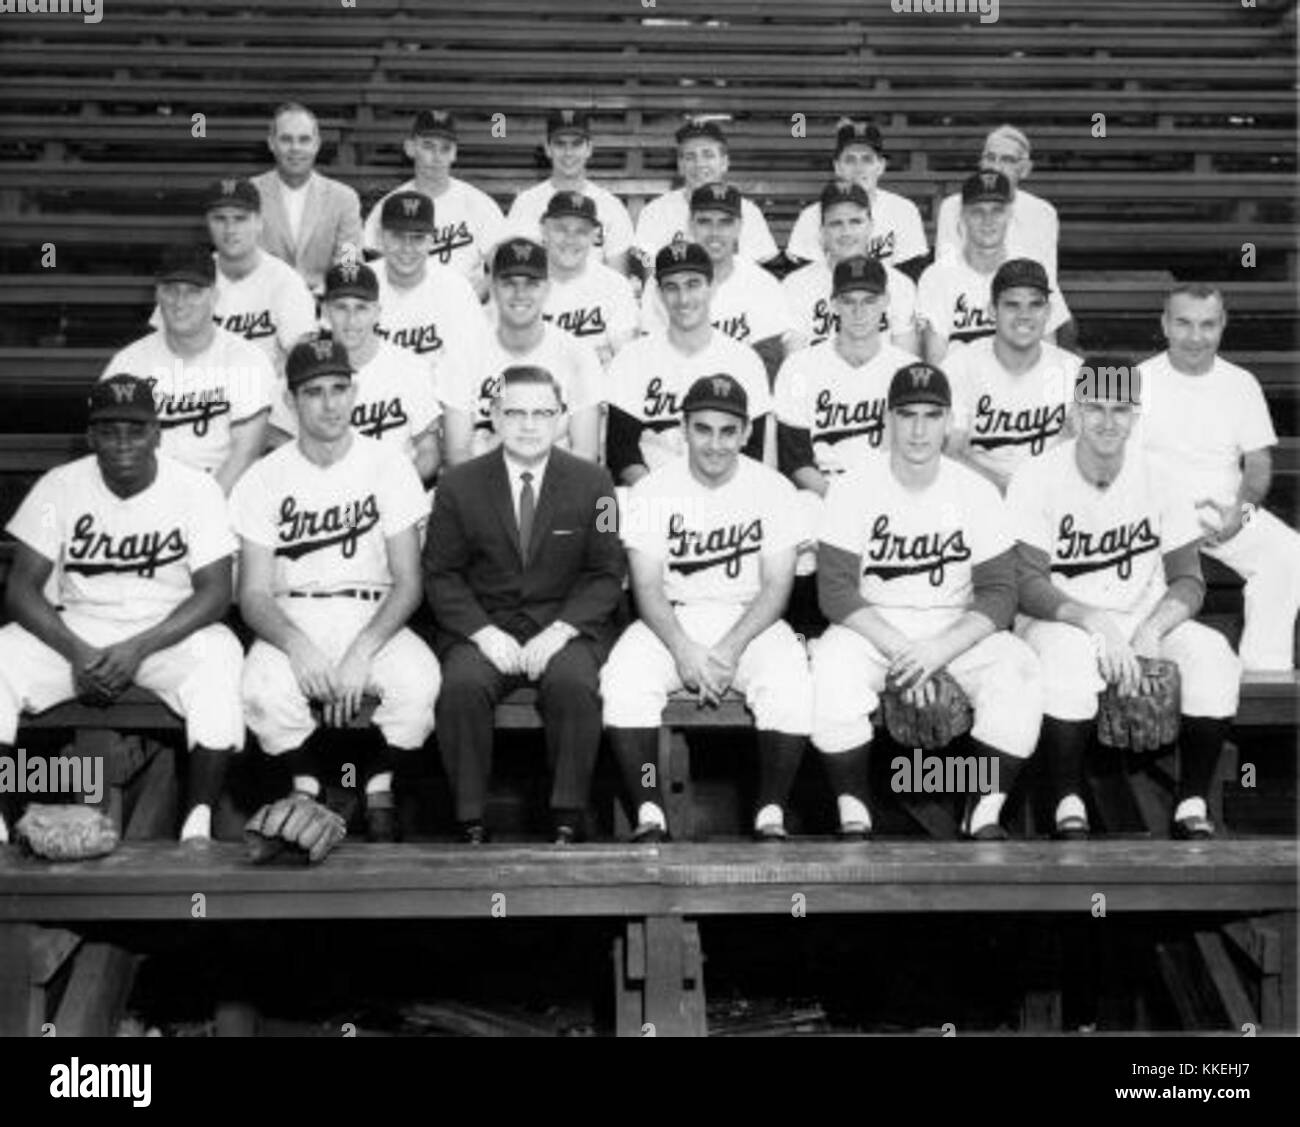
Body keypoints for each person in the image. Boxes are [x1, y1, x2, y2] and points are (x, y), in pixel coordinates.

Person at [0, 375, 243, 845]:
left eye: (135, 429)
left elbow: (215, 593)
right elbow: (21, 590)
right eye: (109, 430)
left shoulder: (196, 489)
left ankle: (197, 828)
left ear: (157, 432)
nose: (123, 442)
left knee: (220, 656)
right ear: (91, 436)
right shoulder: (59, 488)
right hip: (78, 629)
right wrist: (74, 649)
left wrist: (139, 647)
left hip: (166, 631)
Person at [1008, 361, 1241, 839]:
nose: (1108, 421)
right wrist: (1095, 623)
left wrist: (1154, 627)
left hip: (1141, 614)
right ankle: (1067, 798)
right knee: (1068, 659)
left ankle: (1192, 799)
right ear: (1074, 412)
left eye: (1121, 409)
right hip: (1058, 616)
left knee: (1214, 654)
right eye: (1095, 407)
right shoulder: (1035, 476)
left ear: (1137, 416)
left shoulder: (1162, 477)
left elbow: (1188, 580)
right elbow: (1027, 584)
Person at [811, 362, 1041, 841]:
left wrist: (938, 652)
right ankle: (853, 811)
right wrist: (903, 651)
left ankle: (984, 812)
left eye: (931, 416)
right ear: (887, 420)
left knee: (1019, 666)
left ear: (949, 422)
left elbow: (1001, 593)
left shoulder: (975, 491)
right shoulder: (853, 487)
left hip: (955, 626)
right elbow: (834, 590)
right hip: (873, 625)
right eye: (907, 414)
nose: (918, 429)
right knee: (830, 667)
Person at [232, 339, 439, 842]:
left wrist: (362, 651)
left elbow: (410, 583)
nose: (329, 403)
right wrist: (299, 647)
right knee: (261, 690)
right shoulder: (264, 477)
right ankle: (309, 786)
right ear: (292, 400)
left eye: (339, 388)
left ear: (355, 391)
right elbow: (252, 594)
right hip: (292, 613)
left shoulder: (389, 465)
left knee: (420, 682)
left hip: (373, 610)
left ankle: (377, 786)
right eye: (314, 392)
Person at [601, 375, 812, 842]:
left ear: (745, 433)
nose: (714, 443)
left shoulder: (773, 489)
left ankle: (771, 810)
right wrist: (683, 649)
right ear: (683, 429)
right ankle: (650, 808)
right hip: (673, 616)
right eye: (702, 429)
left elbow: (777, 587)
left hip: (751, 619)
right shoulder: (655, 489)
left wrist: (729, 649)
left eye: (727, 431)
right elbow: (647, 586)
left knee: (790, 681)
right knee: (623, 680)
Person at [424, 366, 626, 844]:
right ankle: (470, 818)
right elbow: (441, 573)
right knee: (462, 686)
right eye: (515, 412)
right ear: (492, 417)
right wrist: (482, 633)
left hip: (565, 625)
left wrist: (561, 631)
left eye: (542, 413)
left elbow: (607, 572)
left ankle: (567, 816)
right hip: (486, 627)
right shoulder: (456, 485)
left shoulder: (598, 483)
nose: (529, 424)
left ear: (560, 419)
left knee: (575, 684)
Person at [1135, 284, 1300, 672]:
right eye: (1184, 324)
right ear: (1165, 324)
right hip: (1153, 513)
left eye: (1207, 325)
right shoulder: (1138, 379)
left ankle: (1265, 670)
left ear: (1223, 325)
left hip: (1222, 511)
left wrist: (1238, 516)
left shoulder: (1241, 383)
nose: (1196, 336)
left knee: (1289, 552)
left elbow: (1258, 467)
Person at [774, 255, 920, 633]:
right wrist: (842, 498)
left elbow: (918, 451)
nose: (858, 311)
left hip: (888, 489)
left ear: (887, 303)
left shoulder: (905, 369)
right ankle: (806, 637)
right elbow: (795, 460)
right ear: (832, 304)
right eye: (849, 301)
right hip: (820, 487)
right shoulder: (801, 367)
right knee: (800, 522)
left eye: (869, 300)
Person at [104, 245, 275, 495]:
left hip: (225, 497)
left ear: (215, 297)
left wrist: (203, 510)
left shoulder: (246, 359)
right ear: (157, 295)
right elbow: (113, 449)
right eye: (170, 290)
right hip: (149, 499)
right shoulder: (127, 365)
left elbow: (245, 453)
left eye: (193, 291)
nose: (180, 302)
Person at [606, 241, 772, 486]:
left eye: (693, 284)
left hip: (725, 493)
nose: (683, 299)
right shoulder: (632, 359)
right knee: (611, 508)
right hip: (651, 493)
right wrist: (660, 497)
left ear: (712, 287)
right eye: (671, 287)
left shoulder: (744, 361)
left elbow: (752, 450)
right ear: (660, 294)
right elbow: (621, 452)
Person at [268, 264, 442, 487]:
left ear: (377, 312)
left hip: (395, 494)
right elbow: (274, 437)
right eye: (341, 307)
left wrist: (395, 492)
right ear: (325, 311)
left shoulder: (411, 368)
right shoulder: (305, 367)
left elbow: (428, 453)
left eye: (361, 308)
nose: (351, 320)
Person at [440, 238, 602, 466]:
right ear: (494, 287)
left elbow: (585, 454)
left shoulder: (578, 354)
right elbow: (457, 455)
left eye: (531, 283)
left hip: (559, 484)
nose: (520, 293)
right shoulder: (463, 354)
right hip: (483, 485)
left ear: (547, 288)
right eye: (509, 283)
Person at [944, 258, 1082, 493]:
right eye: (1012, 305)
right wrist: (1004, 489)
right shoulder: (957, 368)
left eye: (1035, 305)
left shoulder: (1076, 370)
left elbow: (1085, 449)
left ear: (1048, 311)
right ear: (992, 310)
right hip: (979, 496)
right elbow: (952, 452)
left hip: (1052, 496)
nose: (1024, 315)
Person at [150, 178, 317, 371]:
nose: (230, 229)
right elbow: (161, 348)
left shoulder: (285, 281)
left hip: (264, 393)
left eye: (240, 218)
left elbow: (304, 360)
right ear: (208, 223)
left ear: (259, 222)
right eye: (220, 219)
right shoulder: (187, 274)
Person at [640, 185, 798, 379]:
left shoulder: (762, 285)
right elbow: (650, 354)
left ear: (739, 226)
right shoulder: (663, 282)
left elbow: (767, 364)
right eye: (705, 221)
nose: (715, 232)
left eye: (725, 222)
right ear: (690, 225)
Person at [916, 171, 1070, 366]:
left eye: (997, 210)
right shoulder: (937, 276)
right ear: (963, 215)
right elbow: (936, 361)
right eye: (977, 211)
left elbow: (1049, 351)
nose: (987, 220)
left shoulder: (1034, 268)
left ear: (1009, 214)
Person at [362, 110, 507, 300]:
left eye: (445, 148)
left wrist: (470, 298)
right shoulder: (388, 206)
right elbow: (374, 269)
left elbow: (503, 265)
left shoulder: (479, 204)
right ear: (410, 148)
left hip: (464, 306)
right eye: (428, 146)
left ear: (455, 153)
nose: (437, 157)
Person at [781, 180, 919, 354]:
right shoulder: (796, 285)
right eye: (836, 223)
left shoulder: (899, 284)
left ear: (871, 226)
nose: (846, 232)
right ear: (822, 232)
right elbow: (794, 363)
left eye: (856, 222)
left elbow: (905, 360)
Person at [371, 190, 489, 391]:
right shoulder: (360, 283)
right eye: (398, 236)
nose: (407, 247)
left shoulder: (456, 289)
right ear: (381, 236)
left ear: (432, 239)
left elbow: (471, 366)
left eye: (417, 238)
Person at [785, 119, 928, 278]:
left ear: (881, 166)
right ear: (837, 167)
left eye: (867, 159)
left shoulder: (904, 211)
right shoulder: (811, 215)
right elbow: (805, 281)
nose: (859, 168)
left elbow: (909, 280)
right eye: (850, 160)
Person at [633, 119, 779, 265]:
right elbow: (646, 269)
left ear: (724, 163)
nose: (699, 164)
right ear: (681, 166)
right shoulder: (655, 211)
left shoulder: (748, 212)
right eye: (690, 157)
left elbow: (762, 271)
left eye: (708, 155)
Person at [505, 109, 635, 274]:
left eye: (576, 144)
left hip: (594, 297)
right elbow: (516, 269)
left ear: (589, 148)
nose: (568, 153)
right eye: (560, 144)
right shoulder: (526, 203)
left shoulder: (610, 206)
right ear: (548, 148)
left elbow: (618, 276)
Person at [252, 101, 364, 293]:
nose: (295, 148)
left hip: (324, 305)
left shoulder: (344, 199)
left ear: (316, 144)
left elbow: (349, 265)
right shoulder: (249, 194)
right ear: (271, 143)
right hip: (263, 305)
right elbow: (243, 261)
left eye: (304, 140)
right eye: (286, 139)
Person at [934, 124, 1060, 281]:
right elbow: (945, 270)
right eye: (990, 158)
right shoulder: (952, 207)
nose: (996, 167)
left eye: (1007, 160)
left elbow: (1044, 275)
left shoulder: (1042, 213)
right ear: (981, 163)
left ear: (1025, 169)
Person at [534, 190, 639, 367]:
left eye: (581, 231)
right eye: (561, 229)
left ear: (594, 236)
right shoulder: (521, 283)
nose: (570, 239)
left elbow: (626, 362)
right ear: (544, 230)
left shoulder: (615, 286)